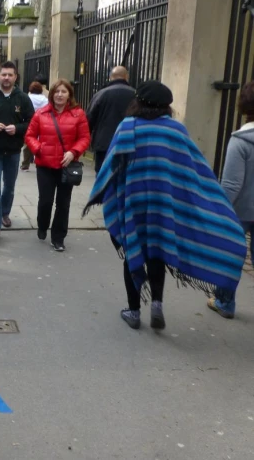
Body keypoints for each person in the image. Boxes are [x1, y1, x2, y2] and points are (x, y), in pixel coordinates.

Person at [84, 81, 247, 331]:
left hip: (134, 202)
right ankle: (157, 304)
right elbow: (194, 169)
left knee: (133, 252)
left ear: (137, 101)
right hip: (164, 205)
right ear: (167, 106)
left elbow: (112, 165)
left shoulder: (128, 127)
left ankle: (134, 311)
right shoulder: (176, 131)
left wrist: (100, 193)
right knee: (157, 253)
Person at [25, 79, 90, 252]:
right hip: (45, 165)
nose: (60, 95)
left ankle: (58, 237)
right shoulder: (41, 114)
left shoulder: (78, 114)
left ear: (69, 95)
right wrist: (38, 148)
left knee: (63, 203)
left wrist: (74, 152)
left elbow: (85, 138)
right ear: (52, 94)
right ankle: (42, 224)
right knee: (45, 201)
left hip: (66, 166)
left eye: (64, 92)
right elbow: (29, 135)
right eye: (57, 92)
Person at [207, 82, 254, 319]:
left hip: (242, 209)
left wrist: (219, 210)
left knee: (229, 252)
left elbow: (232, 184)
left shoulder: (241, 140)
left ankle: (225, 302)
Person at [0, 61, 35, 236]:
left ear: (15, 77)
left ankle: (5, 213)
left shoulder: (23, 98)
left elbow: (32, 123)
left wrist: (17, 129)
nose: (7, 78)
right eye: (4, 74)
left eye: (10, 75)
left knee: (9, 186)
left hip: (13, 151)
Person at [86, 66, 136, 173]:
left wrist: (87, 139)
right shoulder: (135, 95)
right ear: (126, 77)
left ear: (111, 78)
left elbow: (89, 118)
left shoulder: (100, 94)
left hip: (103, 143)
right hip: (129, 141)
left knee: (102, 175)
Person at [20, 81, 49, 171]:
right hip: (43, 122)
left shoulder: (28, 98)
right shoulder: (45, 99)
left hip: (31, 122)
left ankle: (25, 164)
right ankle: (39, 160)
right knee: (41, 141)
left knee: (28, 143)